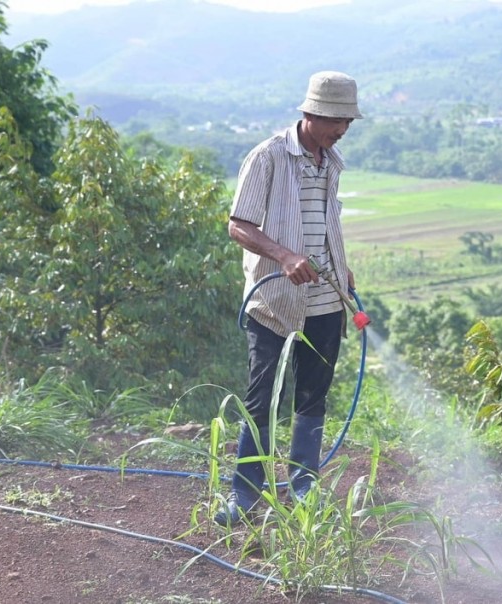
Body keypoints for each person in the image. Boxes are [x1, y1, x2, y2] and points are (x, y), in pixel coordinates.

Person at [215, 71, 362, 526]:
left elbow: (324, 223)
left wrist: (341, 266)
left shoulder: (330, 161)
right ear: (309, 113)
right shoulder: (268, 157)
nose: (341, 130)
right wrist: (283, 256)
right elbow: (238, 225)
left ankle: (303, 489)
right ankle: (244, 494)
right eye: (334, 121)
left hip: (326, 301)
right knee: (262, 399)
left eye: (347, 123)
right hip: (274, 301)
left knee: (312, 398)